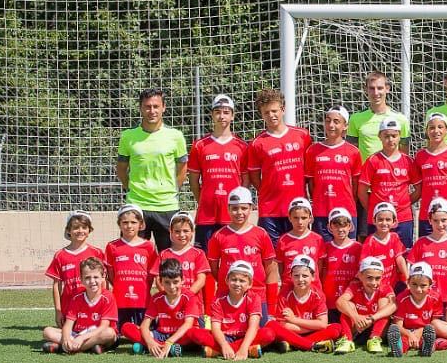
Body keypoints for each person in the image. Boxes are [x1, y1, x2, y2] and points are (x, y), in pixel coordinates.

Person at [116, 88, 188, 251]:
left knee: (169, 261)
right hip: (137, 205)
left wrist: (173, 189)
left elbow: (183, 167)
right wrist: (131, 189)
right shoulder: (128, 136)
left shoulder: (175, 136)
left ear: (163, 107)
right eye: (147, 107)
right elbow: (121, 169)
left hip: (167, 206)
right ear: (141, 108)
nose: (152, 111)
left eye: (156, 106)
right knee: (134, 258)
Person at [244, 88, 312, 243]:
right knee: (272, 257)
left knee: (297, 253)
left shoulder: (302, 135)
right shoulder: (257, 143)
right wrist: (268, 190)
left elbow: (309, 170)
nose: (271, 115)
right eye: (266, 112)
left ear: (283, 109)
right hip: (270, 210)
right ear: (261, 114)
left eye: (274, 111)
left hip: (298, 208)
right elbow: (254, 176)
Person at [205, 186, 279, 319]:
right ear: (228, 209)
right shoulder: (218, 236)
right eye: (234, 208)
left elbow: (271, 269)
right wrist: (227, 283)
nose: (239, 212)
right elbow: (213, 269)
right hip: (227, 296)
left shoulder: (261, 234)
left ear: (251, 208)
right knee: (228, 333)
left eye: (244, 208)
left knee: (265, 334)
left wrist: (272, 308)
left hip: (257, 295)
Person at [186, 94, 246, 247]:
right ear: (212, 115)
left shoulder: (242, 147)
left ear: (233, 116)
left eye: (226, 112)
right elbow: (193, 180)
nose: (222, 116)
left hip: (231, 214)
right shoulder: (200, 146)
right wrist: (204, 200)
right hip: (207, 215)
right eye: (218, 112)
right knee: (204, 260)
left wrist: (239, 202)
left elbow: (246, 180)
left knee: (232, 258)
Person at [189, 261, 271, 359]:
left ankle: (218, 352)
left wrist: (243, 348)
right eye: (234, 279)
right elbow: (215, 328)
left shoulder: (254, 298)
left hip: (245, 337)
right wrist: (224, 345)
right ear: (227, 280)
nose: (237, 283)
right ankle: (247, 350)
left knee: (268, 334)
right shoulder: (218, 299)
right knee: (194, 332)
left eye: (242, 281)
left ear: (250, 284)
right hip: (224, 338)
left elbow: (253, 326)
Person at [356, 116, 417, 245]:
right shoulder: (373, 161)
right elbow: (361, 192)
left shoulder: (408, 161)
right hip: (379, 219)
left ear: (399, 136)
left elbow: (419, 189)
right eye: (386, 136)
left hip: (403, 218)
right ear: (380, 136)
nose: (390, 140)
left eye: (394, 136)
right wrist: (375, 208)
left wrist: (404, 203)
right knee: (378, 257)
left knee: (404, 255)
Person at [263, 254, 341, 352]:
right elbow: (283, 325)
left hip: (304, 332)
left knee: (336, 328)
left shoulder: (318, 295)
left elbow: (322, 324)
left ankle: (294, 344)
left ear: (312, 277)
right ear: (290, 276)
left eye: (305, 276)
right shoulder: (285, 293)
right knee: (271, 325)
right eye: (296, 276)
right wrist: (313, 326)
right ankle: (310, 345)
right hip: (292, 332)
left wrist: (294, 319)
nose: (300, 280)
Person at [305, 106, 362, 240]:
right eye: (328, 120)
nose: (331, 125)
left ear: (345, 126)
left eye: (336, 121)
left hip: (346, 211)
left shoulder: (353, 152)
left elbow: (355, 185)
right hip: (321, 211)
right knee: (323, 256)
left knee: (347, 254)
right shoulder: (312, 151)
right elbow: (311, 184)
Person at [42, 256, 119, 354]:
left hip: (97, 333)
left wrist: (81, 338)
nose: (92, 281)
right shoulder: (77, 298)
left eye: (95, 277)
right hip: (78, 333)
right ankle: (84, 347)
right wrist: (66, 339)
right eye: (87, 278)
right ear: (81, 280)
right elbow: (68, 325)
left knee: (109, 333)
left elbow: (103, 327)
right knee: (47, 331)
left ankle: (65, 348)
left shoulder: (108, 297)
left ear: (103, 277)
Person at [125, 258, 202, 356]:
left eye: (175, 282)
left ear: (183, 280)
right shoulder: (157, 298)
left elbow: (188, 324)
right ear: (160, 281)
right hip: (161, 335)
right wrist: (150, 342)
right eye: (167, 282)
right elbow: (145, 325)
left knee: (196, 334)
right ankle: (164, 348)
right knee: (127, 327)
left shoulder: (189, 297)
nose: (171, 286)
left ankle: (150, 347)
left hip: (182, 335)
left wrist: (169, 342)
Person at [105, 204, 157, 336]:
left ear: (141, 224)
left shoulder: (148, 246)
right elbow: (111, 274)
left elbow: (151, 274)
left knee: (145, 331)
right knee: (120, 332)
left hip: (142, 299)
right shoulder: (112, 246)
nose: (129, 226)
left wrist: (144, 288)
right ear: (119, 224)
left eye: (133, 222)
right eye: (125, 222)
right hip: (120, 299)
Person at [46, 211, 104, 327]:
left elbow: (103, 281)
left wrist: (102, 303)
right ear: (68, 231)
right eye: (76, 228)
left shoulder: (96, 253)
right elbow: (57, 285)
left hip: (92, 304)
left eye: (84, 227)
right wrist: (58, 311)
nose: (80, 231)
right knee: (57, 331)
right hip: (69, 306)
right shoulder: (60, 255)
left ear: (89, 231)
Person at [413, 113, 447, 238]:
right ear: (426, 131)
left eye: (440, 127)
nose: (436, 131)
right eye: (431, 127)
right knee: (427, 251)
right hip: (427, 213)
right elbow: (419, 187)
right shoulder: (420, 156)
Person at [334, 257, 397, 354]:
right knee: (347, 305)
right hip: (358, 327)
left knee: (384, 302)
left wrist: (372, 319)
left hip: (376, 326)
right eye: (369, 278)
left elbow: (394, 305)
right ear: (360, 275)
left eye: (377, 278)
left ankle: (374, 339)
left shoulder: (385, 287)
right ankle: (347, 340)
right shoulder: (355, 286)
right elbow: (340, 302)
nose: (374, 283)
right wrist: (356, 317)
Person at [411, 199, 447, 300]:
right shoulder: (421, 243)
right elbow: (412, 271)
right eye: (435, 220)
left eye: (443, 220)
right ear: (429, 220)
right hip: (425, 298)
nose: (440, 225)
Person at [386, 261, 443, 357]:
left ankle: (427, 348)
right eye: (414, 284)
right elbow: (397, 324)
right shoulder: (402, 298)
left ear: (431, 284)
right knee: (403, 340)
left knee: (430, 338)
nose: (418, 289)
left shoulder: (435, 298)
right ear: (408, 282)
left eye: (423, 285)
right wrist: (410, 335)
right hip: (406, 331)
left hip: (424, 331)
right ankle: (397, 348)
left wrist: (419, 332)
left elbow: (434, 324)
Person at [349, 71, 409, 159]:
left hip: (392, 172)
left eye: (380, 88)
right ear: (366, 89)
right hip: (366, 172)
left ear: (387, 88)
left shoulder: (401, 120)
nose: (376, 93)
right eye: (372, 88)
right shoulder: (355, 119)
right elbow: (352, 153)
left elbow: (404, 156)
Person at [157, 212, 209, 302]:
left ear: (192, 231)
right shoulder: (163, 254)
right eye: (177, 231)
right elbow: (158, 279)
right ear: (171, 231)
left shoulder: (199, 253)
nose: (181, 235)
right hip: (170, 303)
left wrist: (186, 296)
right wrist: (170, 296)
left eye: (186, 231)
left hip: (193, 303)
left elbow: (201, 280)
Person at [322, 208, 362, 307]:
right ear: (329, 227)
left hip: (352, 299)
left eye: (344, 226)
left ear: (349, 226)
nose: (340, 230)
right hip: (330, 299)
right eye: (336, 226)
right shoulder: (325, 247)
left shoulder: (358, 247)